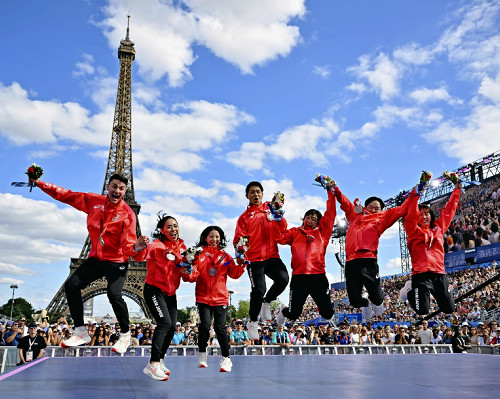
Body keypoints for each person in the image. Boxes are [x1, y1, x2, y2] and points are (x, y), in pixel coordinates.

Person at [30, 173, 149, 352]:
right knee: (71, 285)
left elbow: (127, 246)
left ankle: (125, 334)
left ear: (125, 191)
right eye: (114, 186)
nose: (117, 190)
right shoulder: (94, 201)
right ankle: (80, 331)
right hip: (96, 258)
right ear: (107, 187)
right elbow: (65, 195)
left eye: (121, 188)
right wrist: (39, 183)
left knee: (113, 294)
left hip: (116, 260)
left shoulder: (128, 214)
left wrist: (138, 247)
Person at [333, 180, 412, 321]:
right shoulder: (354, 215)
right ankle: (365, 303)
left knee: (376, 297)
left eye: (377, 208)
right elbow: (344, 202)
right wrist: (334, 188)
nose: (374, 209)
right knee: (354, 301)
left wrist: (415, 194)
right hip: (351, 261)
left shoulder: (382, 218)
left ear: (381, 210)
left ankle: (377, 302)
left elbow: (401, 209)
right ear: (365, 206)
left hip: (368, 260)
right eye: (371, 206)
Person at [274, 178, 336, 325]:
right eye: (307, 217)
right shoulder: (295, 232)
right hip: (299, 277)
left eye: (313, 219)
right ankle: (283, 311)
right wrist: (277, 219)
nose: (309, 220)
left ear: (319, 222)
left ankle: (328, 305)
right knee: (294, 314)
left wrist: (330, 191)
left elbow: (331, 213)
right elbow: (280, 238)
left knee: (328, 314)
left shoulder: (323, 233)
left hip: (318, 277)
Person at [142, 214, 195, 381]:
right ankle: (152, 363)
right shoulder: (157, 246)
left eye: (176, 226)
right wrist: (179, 258)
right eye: (169, 226)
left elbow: (186, 274)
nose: (173, 229)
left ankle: (160, 360)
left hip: (171, 293)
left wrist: (189, 272)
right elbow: (152, 251)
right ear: (162, 230)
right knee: (164, 322)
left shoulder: (183, 247)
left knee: (172, 327)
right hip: (154, 290)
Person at [234, 181, 289, 339]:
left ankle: (267, 302)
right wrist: (240, 251)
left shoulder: (271, 208)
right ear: (247, 196)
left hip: (272, 256)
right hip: (254, 259)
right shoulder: (244, 218)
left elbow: (282, 229)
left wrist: (280, 217)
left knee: (284, 279)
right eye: (252, 192)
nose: (255, 194)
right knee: (258, 289)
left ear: (262, 194)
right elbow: (239, 239)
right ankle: (252, 322)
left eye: (258, 191)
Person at [400, 181, 462, 316]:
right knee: (422, 310)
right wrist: (416, 195)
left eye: (426, 213)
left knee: (449, 309)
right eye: (420, 214)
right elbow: (409, 216)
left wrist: (456, 191)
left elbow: (450, 210)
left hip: (439, 273)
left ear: (431, 215)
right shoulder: (412, 231)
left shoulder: (438, 228)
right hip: (420, 275)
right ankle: (410, 288)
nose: (424, 216)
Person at [191, 226, 245, 372]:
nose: (214, 239)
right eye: (211, 236)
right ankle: (202, 354)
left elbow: (234, 274)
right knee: (205, 326)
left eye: (217, 236)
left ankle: (226, 358)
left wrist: (241, 263)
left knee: (220, 328)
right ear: (205, 238)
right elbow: (193, 275)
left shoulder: (225, 256)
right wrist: (188, 270)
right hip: (203, 297)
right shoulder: (198, 255)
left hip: (221, 298)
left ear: (220, 238)